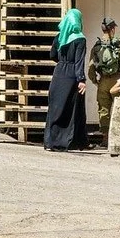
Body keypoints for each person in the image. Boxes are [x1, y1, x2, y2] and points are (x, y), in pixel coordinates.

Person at [45, 8, 92, 151]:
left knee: (56, 107)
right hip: (72, 75)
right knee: (73, 108)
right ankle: (71, 141)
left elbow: (52, 55)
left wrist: (62, 63)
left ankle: (51, 141)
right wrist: (81, 79)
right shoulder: (79, 38)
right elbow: (79, 62)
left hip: (59, 73)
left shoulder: (60, 37)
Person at [88, 17, 120, 148]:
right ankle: (118, 139)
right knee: (119, 108)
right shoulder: (118, 44)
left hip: (103, 81)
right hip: (117, 80)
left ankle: (105, 138)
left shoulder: (97, 46)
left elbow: (91, 67)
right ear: (112, 29)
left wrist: (95, 80)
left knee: (104, 110)